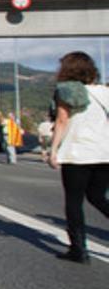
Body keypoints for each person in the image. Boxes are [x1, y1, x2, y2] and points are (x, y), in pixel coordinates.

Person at [46, 51, 109, 264]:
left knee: (74, 201)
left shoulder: (66, 91)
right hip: (103, 153)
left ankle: (79, 249)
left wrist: (53, 150)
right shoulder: (104, 92)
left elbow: (62, 122)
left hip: (77, 153)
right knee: (98, 197)